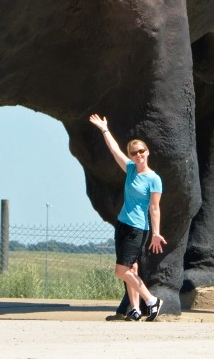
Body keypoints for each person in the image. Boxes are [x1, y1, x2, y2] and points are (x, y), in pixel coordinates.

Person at [88, 113, 165, 321]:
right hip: (122, 225)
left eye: (141, 151)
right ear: (131, 156)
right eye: (134, 152)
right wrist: (104, 129)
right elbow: (114, 150)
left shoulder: (154, 179)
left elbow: (155, 208)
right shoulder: (130, 170)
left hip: (138, 228)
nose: (138, 155)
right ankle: (135, 309)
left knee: (121, 271)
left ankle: (151, 300)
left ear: (147, 152)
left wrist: (156, 233)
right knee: (131, 267)